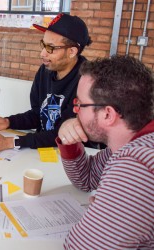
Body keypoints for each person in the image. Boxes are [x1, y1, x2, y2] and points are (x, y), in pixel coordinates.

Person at [57, 55, 154, 249]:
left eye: (80, 104)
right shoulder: (130, 141)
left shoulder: (138, 166)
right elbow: (86, 179)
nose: (75, 111)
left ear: (107, 114)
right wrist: (68, 140)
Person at [0, 13, 92, 150]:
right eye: (43, 45)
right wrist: (8, 122)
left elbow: (63, 133)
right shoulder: (44, 71)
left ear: (72, 51)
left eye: (50, 48)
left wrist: (11, 142)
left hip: (73, 155)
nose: (42, 53)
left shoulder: (88, 82)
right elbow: (38, 114)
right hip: (42, 149)